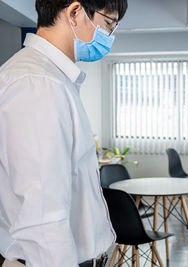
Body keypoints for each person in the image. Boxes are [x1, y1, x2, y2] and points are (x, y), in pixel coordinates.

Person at [0, 0, 127, 266]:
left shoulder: (49, 78)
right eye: (108, 24)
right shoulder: (38, 84)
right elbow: (43, 219)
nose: (110, 37)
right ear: (75, 12)